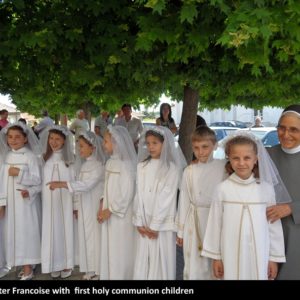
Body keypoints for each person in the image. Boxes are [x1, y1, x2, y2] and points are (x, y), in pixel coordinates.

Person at [202, 133, 288, 280]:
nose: (241, 163)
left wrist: (273, 258)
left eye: (247, 158)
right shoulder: (222, 189)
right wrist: (216, 257)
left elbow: (273, 227)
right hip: (229, 254)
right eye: (236, 158)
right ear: (229, 158)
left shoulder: (266, 189)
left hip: (260, 255)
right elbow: (214, 225)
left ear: (256, 159)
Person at [47, 131, 105, 280]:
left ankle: (98, 269)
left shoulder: (98, 166)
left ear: (93, 148)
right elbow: (80, 189)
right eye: (79, 147)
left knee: (94, 237)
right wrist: (77, 207)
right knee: (86, 236)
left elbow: (86, 185)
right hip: (85, 206)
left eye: (82, 147)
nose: (80, 150)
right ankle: (90, 267)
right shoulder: (85, 165)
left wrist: (61, 184)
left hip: (93, 207)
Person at [133, 126, 186, 280]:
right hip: (144, 222)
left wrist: (155, 226)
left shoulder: (172, 169)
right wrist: (139, 222)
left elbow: (166, 198)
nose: (150, 147)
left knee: (161, 261)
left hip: (162, 225)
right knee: (144, 260)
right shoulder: (141, 166)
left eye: (155, 143)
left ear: (165, 144)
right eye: (148, 143)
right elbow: (138, 194)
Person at [176, 126, 226, 280]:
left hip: (216, 220)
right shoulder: (188, 171)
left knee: (214, 262)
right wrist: (180, 230)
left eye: (205, 147)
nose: (201, 152)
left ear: (215, 145)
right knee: (195, 264)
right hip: (194, 220)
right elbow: (184, 201)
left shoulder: (224, 167)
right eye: (196, 148)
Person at [0, 122, 42, 280]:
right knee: (13, 234)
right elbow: (2, 182)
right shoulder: (7, 156)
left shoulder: (30, 156)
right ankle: (23, 265)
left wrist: (19, 173)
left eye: (18, 137)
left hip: (25, 204)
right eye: (10, 137)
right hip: (11, 204)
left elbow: (38, 181)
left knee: (26, 235)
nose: (13, 140)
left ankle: (28, 269)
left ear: (25, 139)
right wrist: (2, 203)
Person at [98, 125, 137, 279]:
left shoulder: (126, 165)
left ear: (116, 143)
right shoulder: (110, 163)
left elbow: (127, 193)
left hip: (120, 216)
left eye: (106, 141)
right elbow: (105, 187)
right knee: (111, 247)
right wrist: (102, 204)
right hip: (108, 212)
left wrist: (111, 209)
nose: (103, 144)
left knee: (120, 247)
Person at [267, 104, 300, 279]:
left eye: (294, 129)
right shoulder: (266, 155)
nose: (286, 135)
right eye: (282, 128)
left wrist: (291, 208)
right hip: (270, 233)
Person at [39, 126, 75, 279]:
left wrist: (75, 205)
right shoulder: (43, 159)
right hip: (48, 203)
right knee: (51, 231)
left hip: (65, 203)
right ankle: (54, 262)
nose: (53, 142)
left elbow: (75, 183)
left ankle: (67, 263)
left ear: (64, 141)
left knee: (65, 230)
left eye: (58, 139)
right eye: (51, 138)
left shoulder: (70, 161)